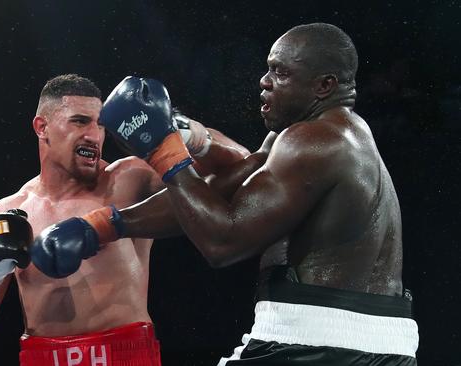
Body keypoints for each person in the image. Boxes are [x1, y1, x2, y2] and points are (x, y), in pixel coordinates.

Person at [36, 23, 420, 365]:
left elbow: (223, 240)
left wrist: (163, 150)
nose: (265, 81)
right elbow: (219, 189)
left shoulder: (316, 141)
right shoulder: (325, 135)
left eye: (281, 73)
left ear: (324, 86)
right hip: (383, 342)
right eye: (268, 68)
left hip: (316, 339)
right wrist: (107, 226)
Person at [0, 73, 249, 366]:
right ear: (42, 127)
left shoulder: (129, 180)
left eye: (100, 125)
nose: (94, 136)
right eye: (80, 121)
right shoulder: (13, 209)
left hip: (125, 356)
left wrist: (179, 131)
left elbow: (241, 168)